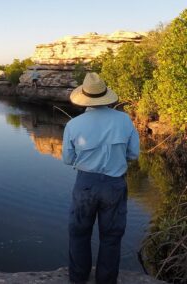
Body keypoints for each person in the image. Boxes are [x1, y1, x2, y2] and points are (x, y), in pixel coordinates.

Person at [62, 73, 139, 284]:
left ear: (84, 97)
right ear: (106, 96)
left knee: (79, 234)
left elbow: (68, 159)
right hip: (115, 185)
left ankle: (79, 279)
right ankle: (106, 280)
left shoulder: (74, 125)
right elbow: (133, 154)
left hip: (85, 184)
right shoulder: (124, 120)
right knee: (111, 237)